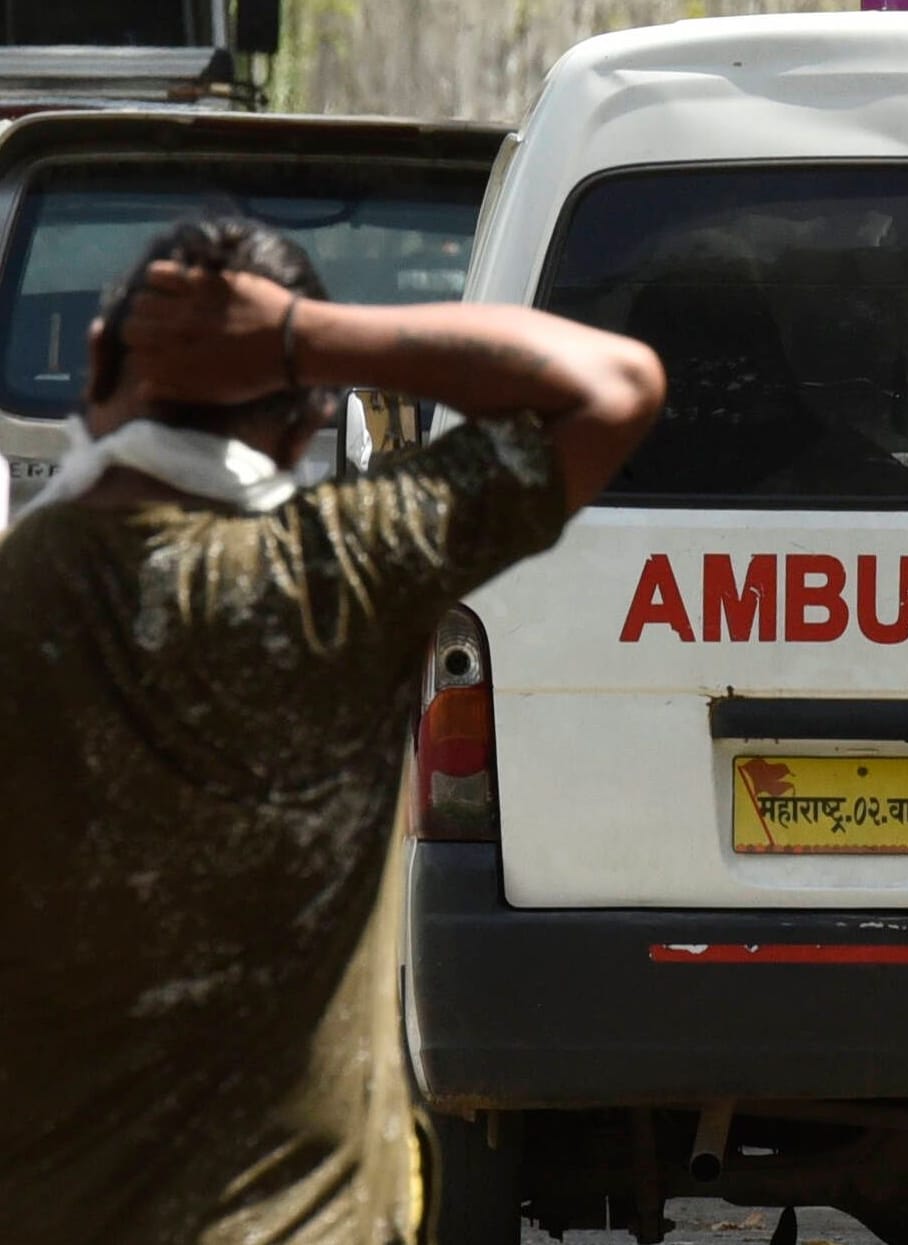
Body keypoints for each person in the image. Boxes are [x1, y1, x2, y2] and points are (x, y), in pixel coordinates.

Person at [0, 217, 664, 1244]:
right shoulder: (341, 573)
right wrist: (305, 334)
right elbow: (612, 386)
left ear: (95, 361)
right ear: (310, 420)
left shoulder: (19, 595)